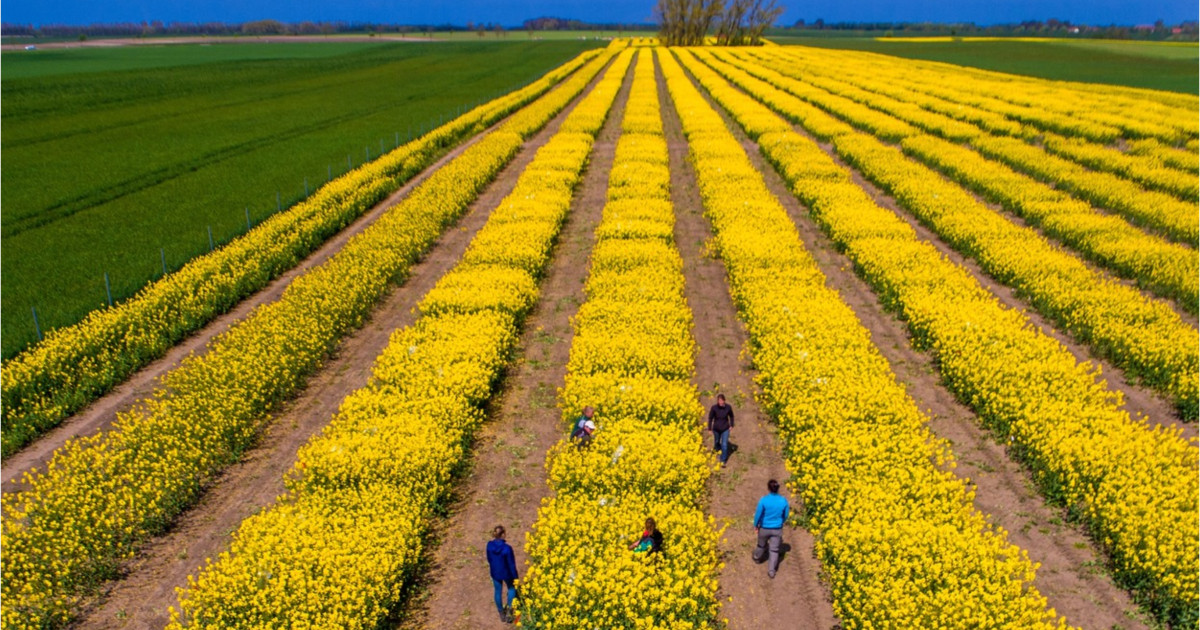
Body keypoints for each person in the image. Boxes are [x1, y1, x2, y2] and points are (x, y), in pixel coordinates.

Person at [752, 479, 789, 578]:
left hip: (764, 528)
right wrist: (781, 521)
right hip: (777, 529)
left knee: (761, 545)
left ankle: (757, 557)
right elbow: (786, 515)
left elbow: (758, 514)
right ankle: (771, 571)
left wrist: (756, 525)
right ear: (778, 488)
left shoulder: (764, 500)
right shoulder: (783, 500)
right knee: (774, 550)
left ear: (768, 488)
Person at [486, 525, 520, 622]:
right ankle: (510, 612)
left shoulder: (489, 545)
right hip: (507, 573)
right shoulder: (507, 548)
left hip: (495, 572)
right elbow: (511, 564)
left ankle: (501, 613)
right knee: (511, 588)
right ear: (504, 534)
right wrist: (515, 576)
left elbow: (489, 559)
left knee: (497, 591)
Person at [707, 394, 734, 465]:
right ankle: (718, 450)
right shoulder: (714, 408)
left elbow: (731, 416)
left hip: (725, 429)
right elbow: (710, 418)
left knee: (724, 444)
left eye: (721, 401)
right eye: (719, 401)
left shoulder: (728, 407)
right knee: (716, 442)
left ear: (724, 400)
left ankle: (723, 460)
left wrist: (731, 425)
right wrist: (709, 429)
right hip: (716, 429)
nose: (720, 402)